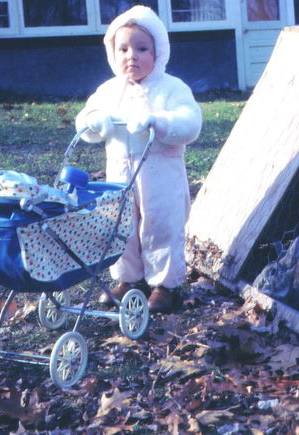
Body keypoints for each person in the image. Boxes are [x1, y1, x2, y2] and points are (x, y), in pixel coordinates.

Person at [75, 5, 202, 313]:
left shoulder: (171, 88)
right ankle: (128, 279)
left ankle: (164, 284)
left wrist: (159, 121)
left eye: (142, 48)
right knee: (120, 223)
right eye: (123, 49)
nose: (132, 55)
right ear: (112, 52)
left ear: (158, 52)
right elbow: (86, 118)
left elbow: (190, 122)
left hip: (160, 169)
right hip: (120, 168)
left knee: (161, 223)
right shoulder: (108, 90)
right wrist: (95, 122)